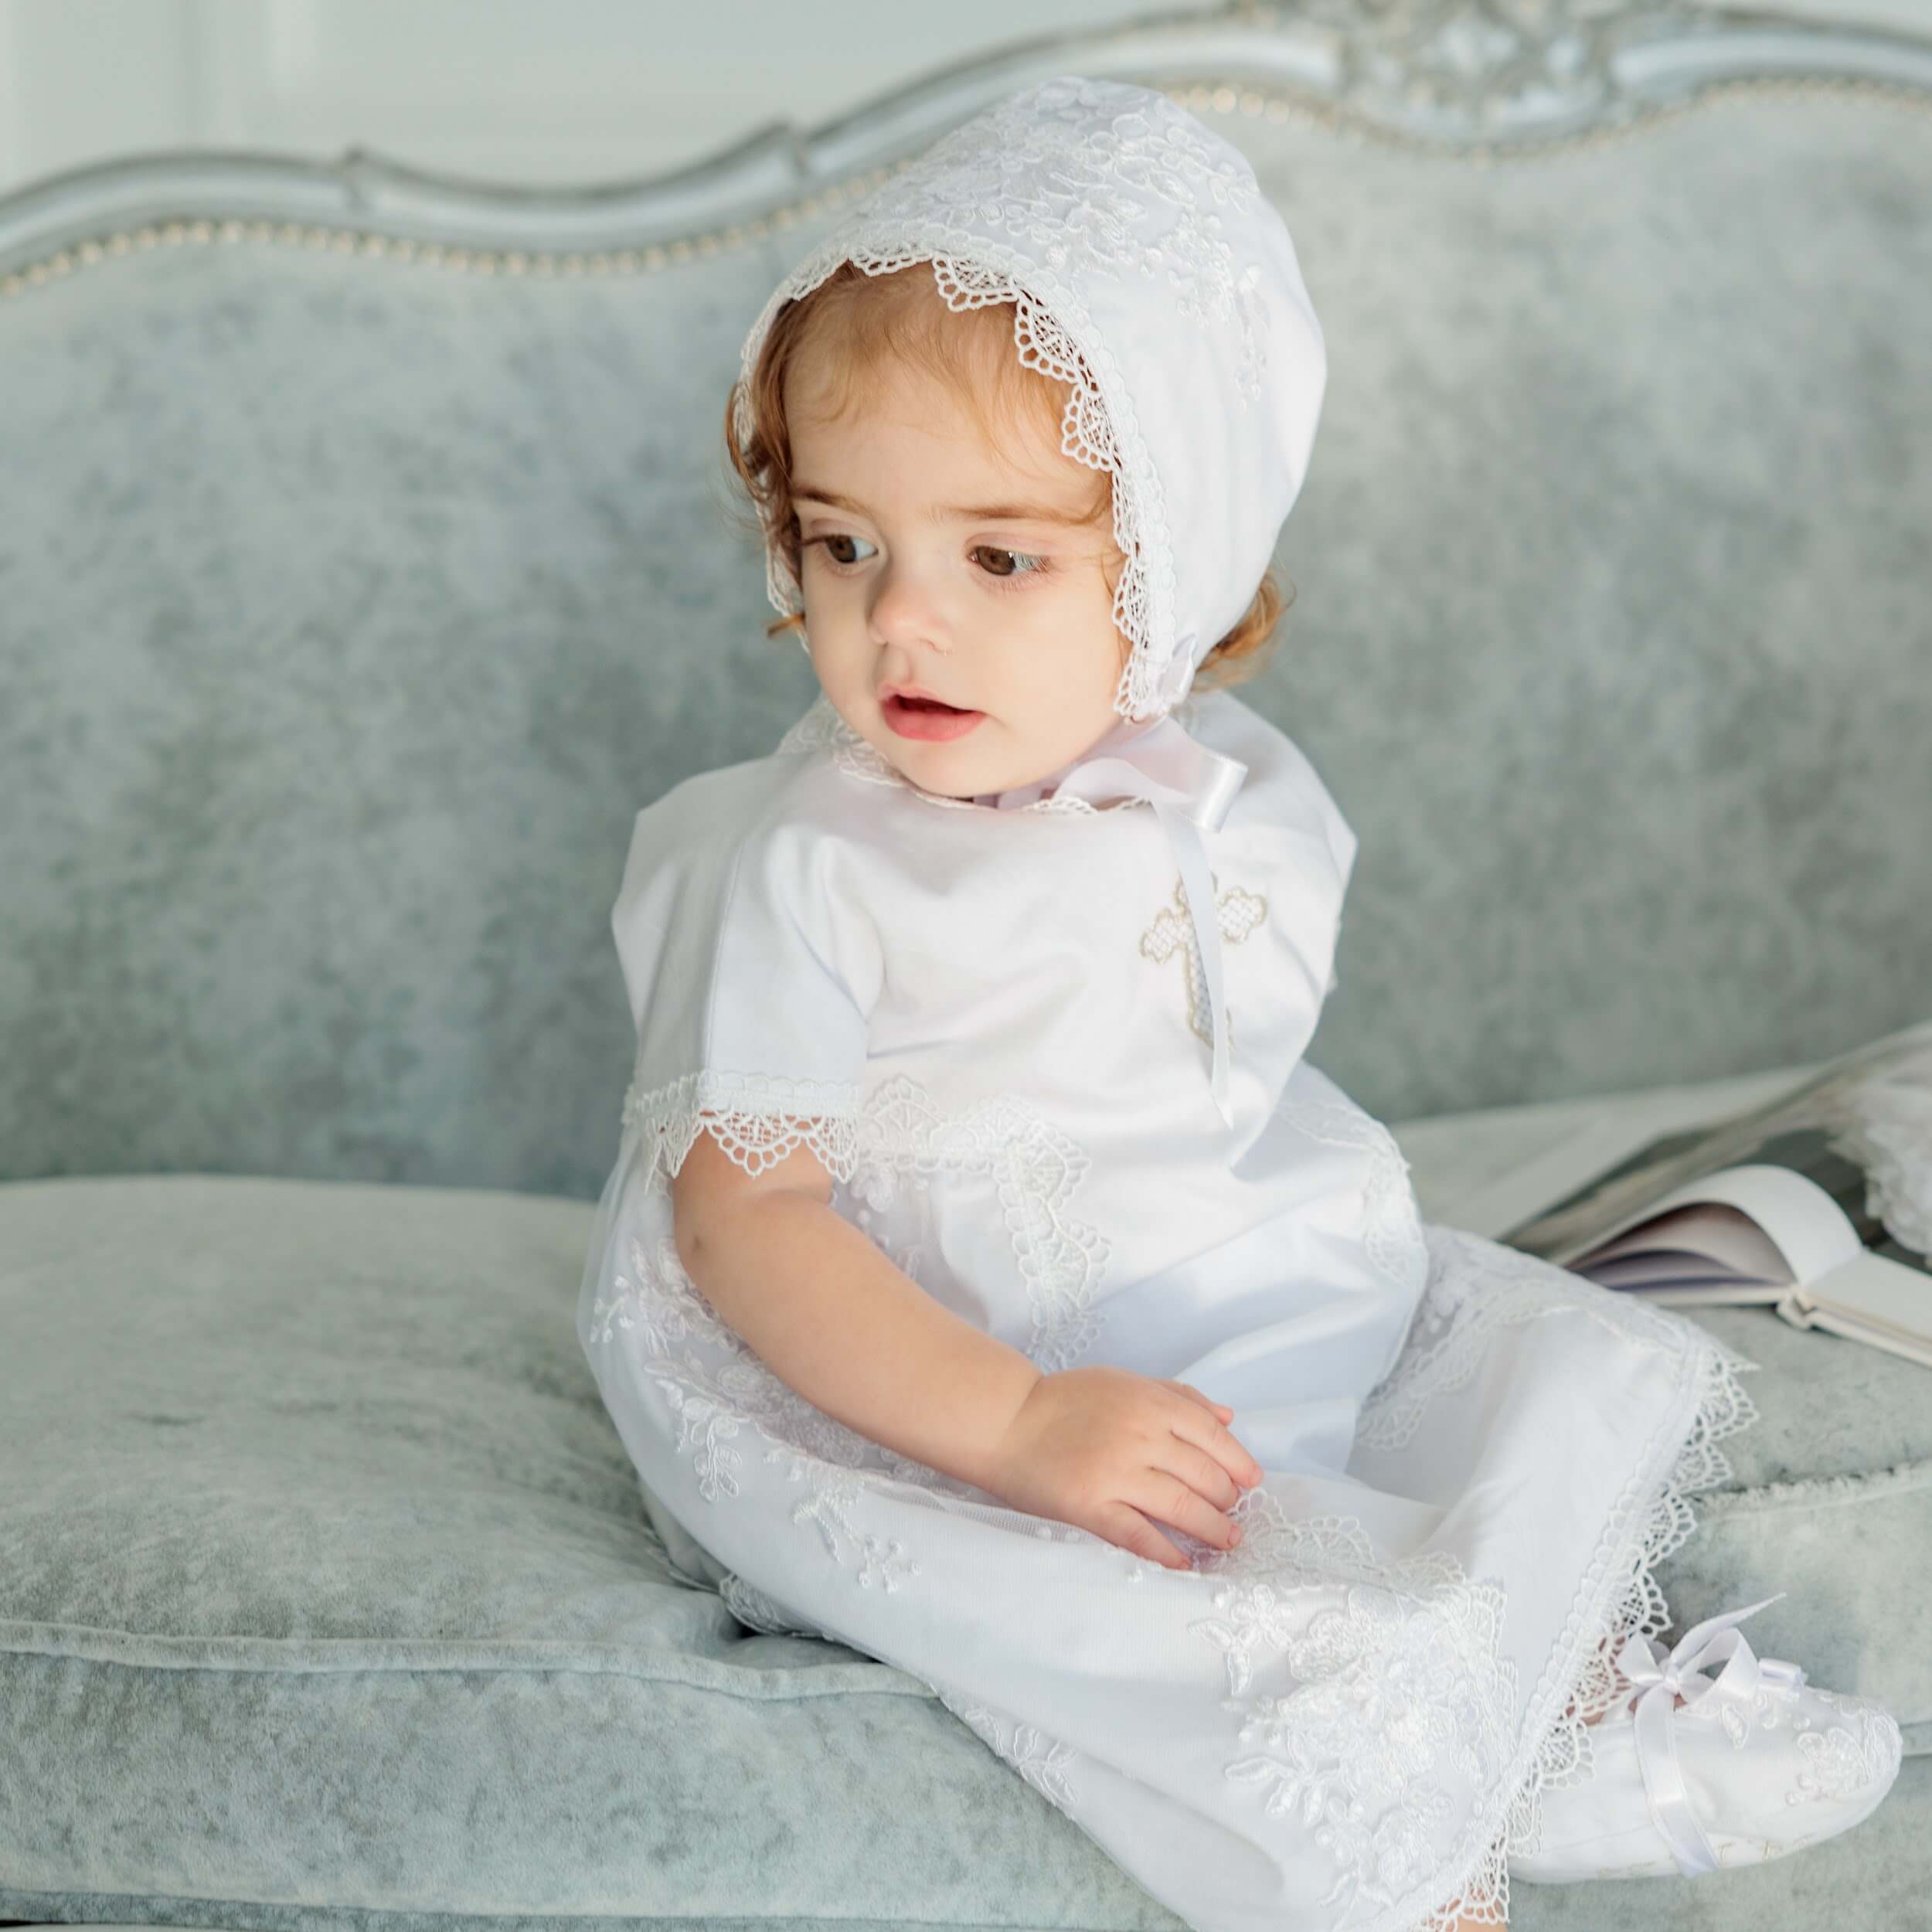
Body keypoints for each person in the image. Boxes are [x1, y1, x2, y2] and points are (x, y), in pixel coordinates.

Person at [575, 73, 1901, 1932]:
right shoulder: (804, 859)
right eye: (839, 543)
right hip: (912, 1335)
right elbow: (744, 1215)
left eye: (998, 555)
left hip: (1195, 1263)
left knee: (1510, 1373)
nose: (900, 621)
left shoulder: (1230, 792)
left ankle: (1577, 1701)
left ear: (1178, 566)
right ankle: (1397, 1822)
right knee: (1167, 1579)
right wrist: (1014, 1422)